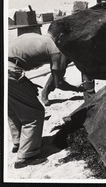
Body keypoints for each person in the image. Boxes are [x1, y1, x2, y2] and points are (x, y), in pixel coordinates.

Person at [8, 32, 86, 169]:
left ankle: (18, 142)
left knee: (13, 108)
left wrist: (26, 83)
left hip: (9, 69)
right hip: (11, 71)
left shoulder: (37, 37)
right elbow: (58, 84)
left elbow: (17, 59)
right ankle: (26, 157)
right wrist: (78, 89)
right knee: (34, 113)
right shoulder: (55, 49)